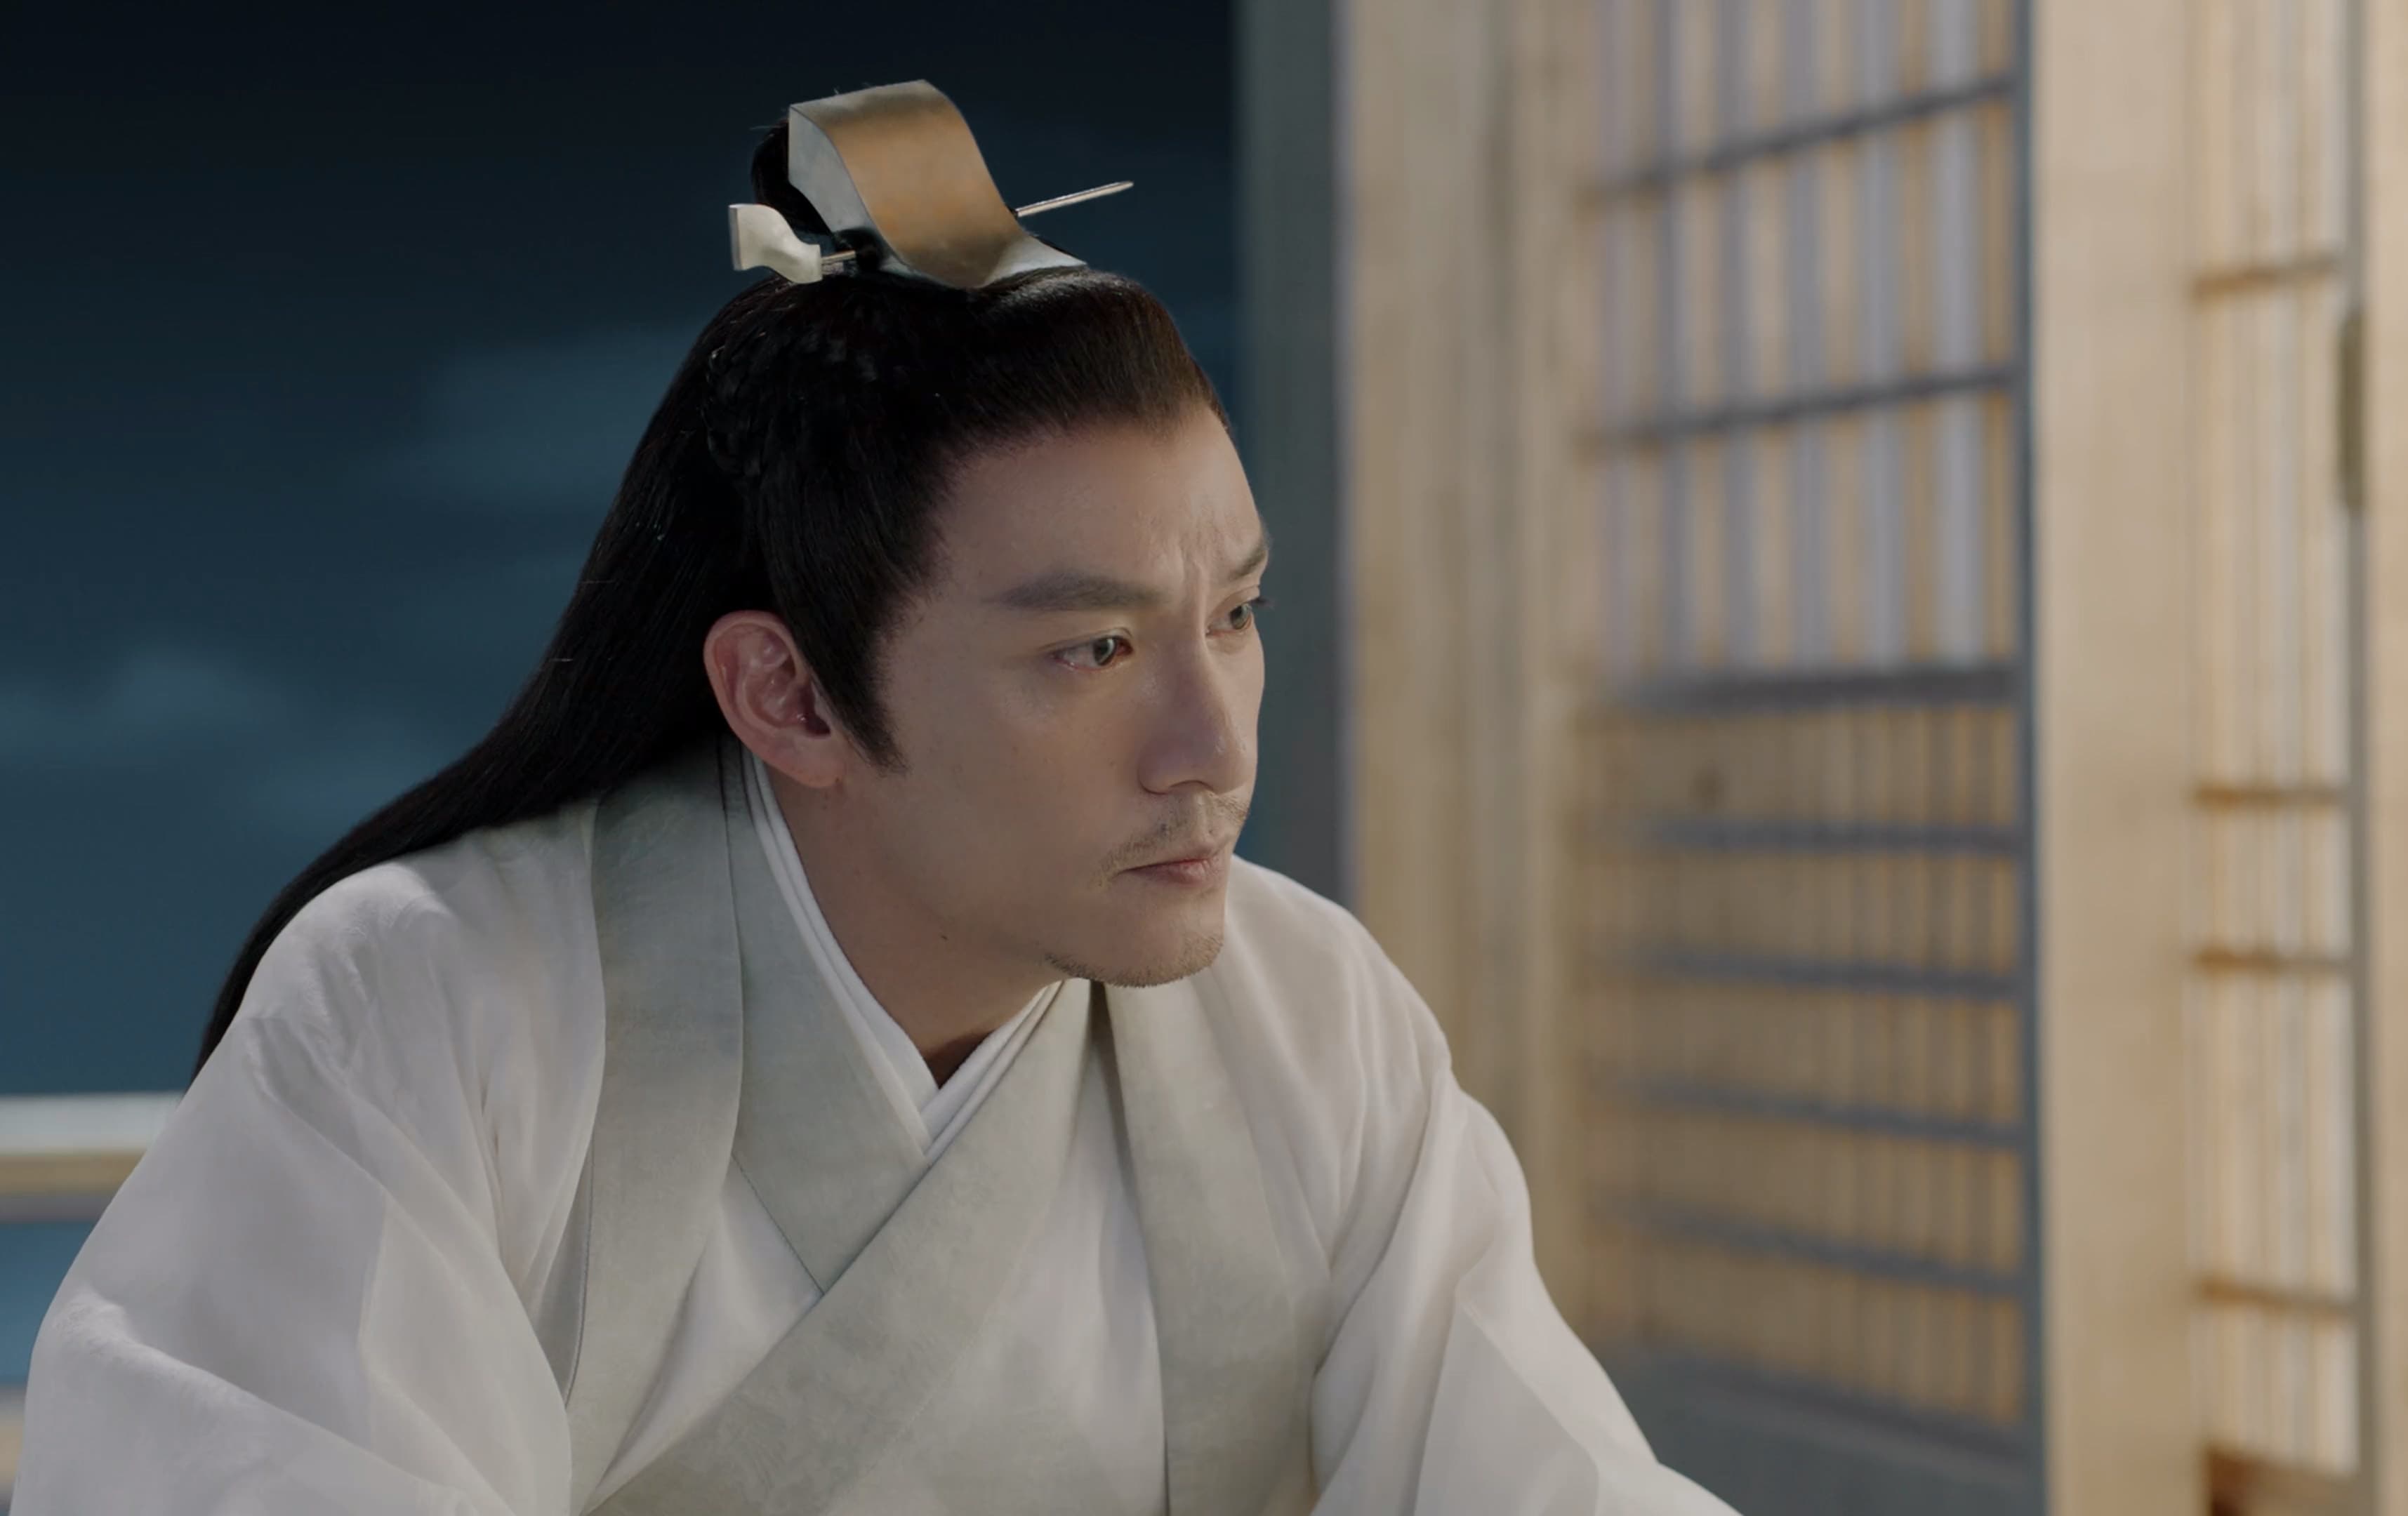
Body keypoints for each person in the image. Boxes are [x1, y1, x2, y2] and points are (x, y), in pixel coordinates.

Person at [13, 82, 1737, 1516]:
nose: (1211, 745)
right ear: (792, 695)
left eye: (1236, 615)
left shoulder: (1310, 1024)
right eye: (1092, 650)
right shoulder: (436, 1010)